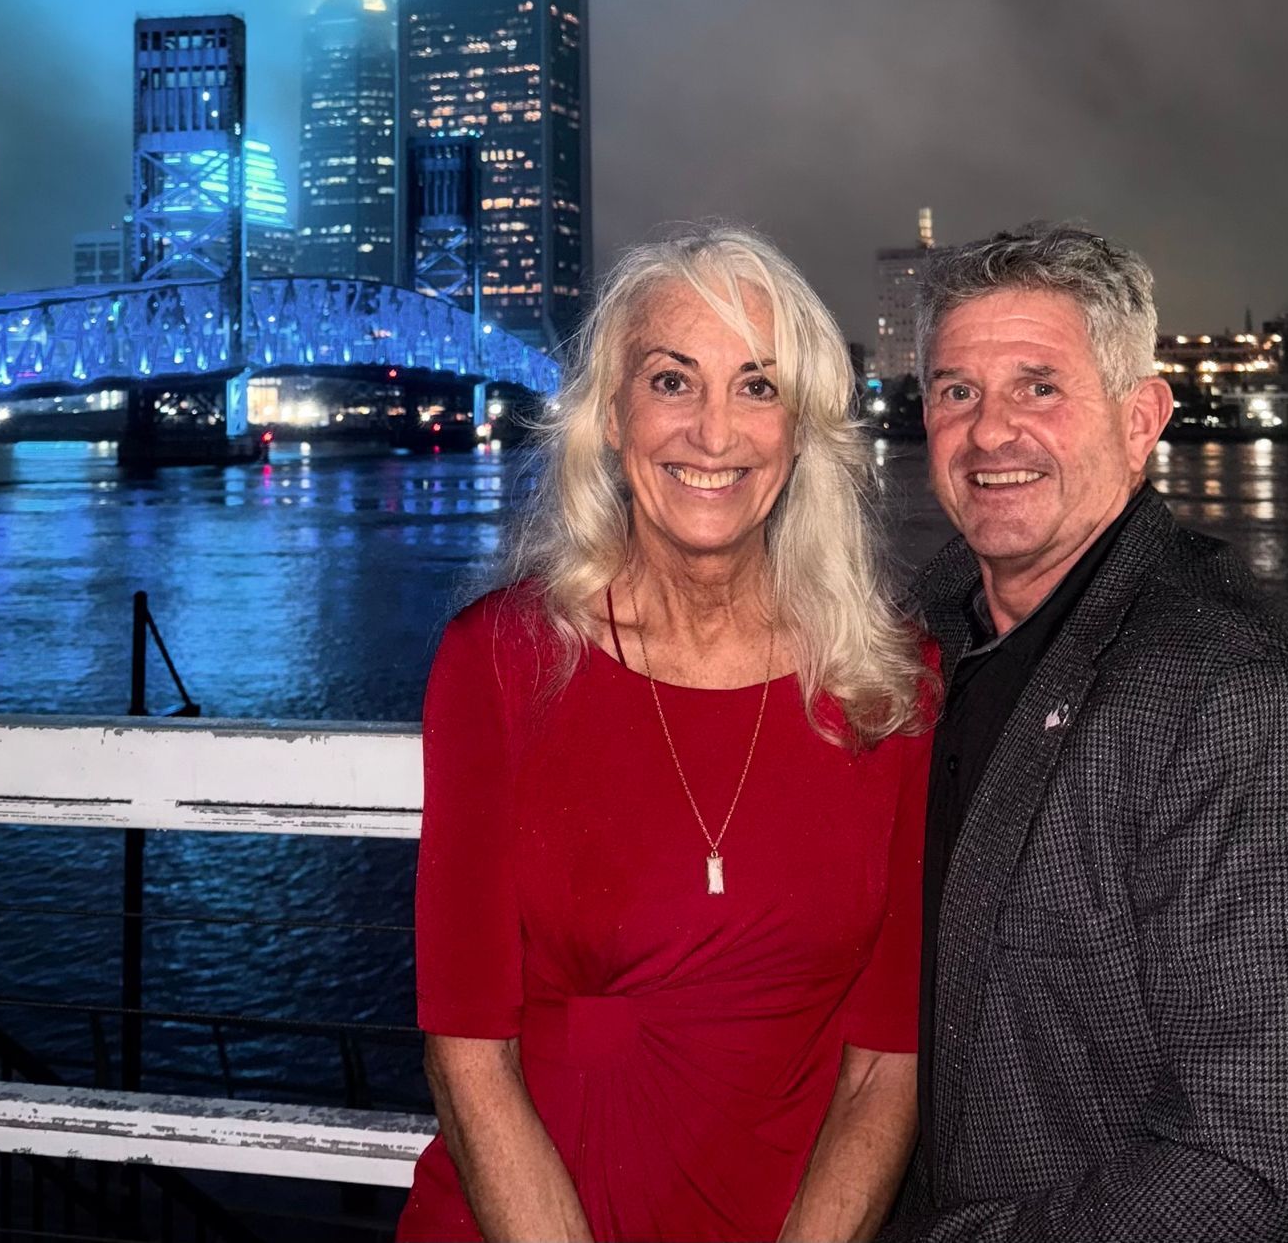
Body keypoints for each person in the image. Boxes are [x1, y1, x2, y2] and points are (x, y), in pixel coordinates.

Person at [399, 227, 938, 1243]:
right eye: (672, 380)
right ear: (612, 415)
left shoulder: (890, 687)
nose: (714, 432)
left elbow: (885, 1063)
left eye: (757, 386)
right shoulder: (499, 665)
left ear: (803, 427)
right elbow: (467, 1052)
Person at [885, 223, 1288, 1243]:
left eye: (1040, 387)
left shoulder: (1234, 703)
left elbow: (1283, 1176)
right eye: (957, 391)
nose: (990, 432)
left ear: (1141, 420)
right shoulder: (918, 650)